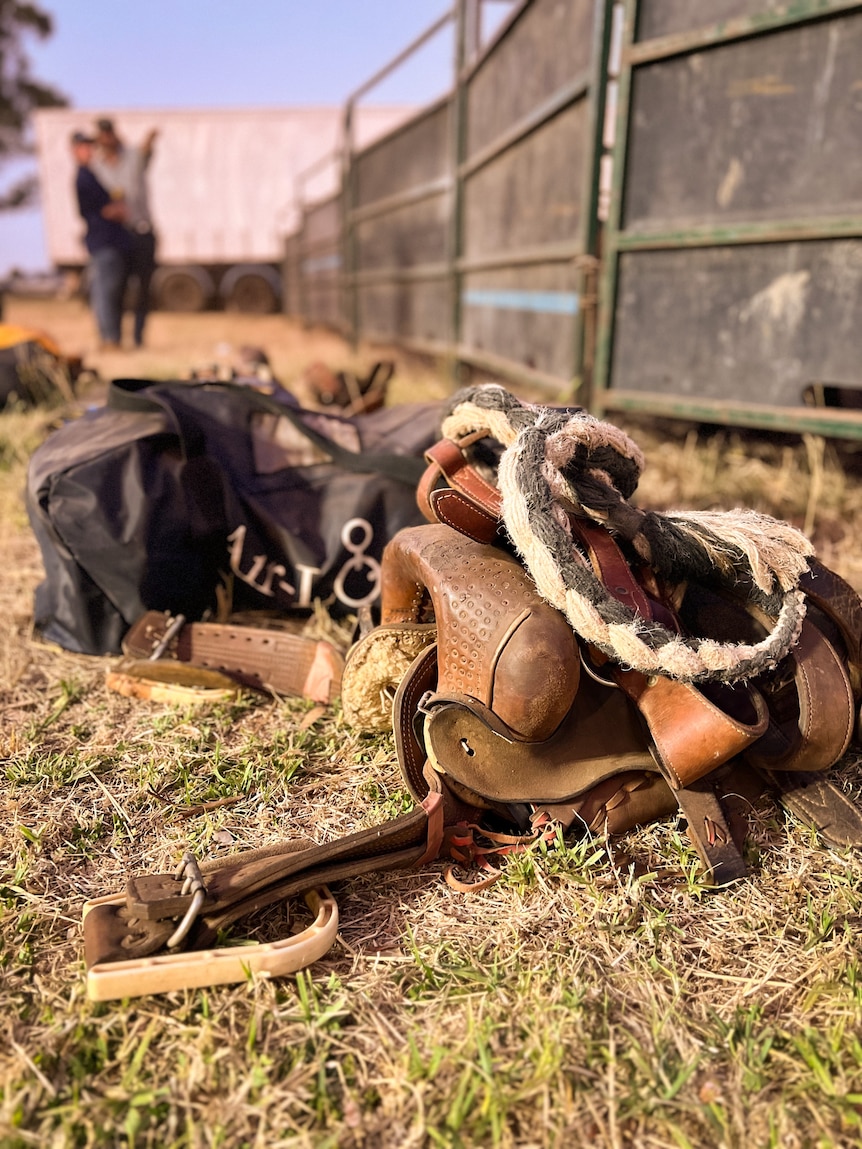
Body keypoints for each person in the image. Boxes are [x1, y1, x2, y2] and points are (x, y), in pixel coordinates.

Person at [92, 117, 159, 348]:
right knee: (116, 288)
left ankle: (139, 339)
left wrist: (150, 140)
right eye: (103, 134)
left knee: (142, 290)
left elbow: (145, 152)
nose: (107, 138)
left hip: (142, 231)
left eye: (110, 133)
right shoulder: (97, 166)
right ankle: (115, 339)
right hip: (118, 237)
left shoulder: (133, 157)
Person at [70, 131, 131, 350]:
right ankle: (109, 339)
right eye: (85, 147)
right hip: (103, 242)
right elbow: (98, 211)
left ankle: (111, 337)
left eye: (90, 147)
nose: (90, 152)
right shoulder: (83, 177)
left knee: (110, 291)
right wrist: (115, 210)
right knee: (105, 292)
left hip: (109, 242)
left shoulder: (91, 175)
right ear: (75, 150)